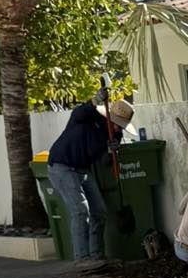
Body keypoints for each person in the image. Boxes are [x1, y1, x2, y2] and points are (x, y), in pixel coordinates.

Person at [47, 97, 133, 264]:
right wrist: (95, 100)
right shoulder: (88, 117)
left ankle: (96, 255)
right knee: (80, 210)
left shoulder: (115, 134)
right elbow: (79, 111)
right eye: (115, 123)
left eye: (120, 125)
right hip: (62, 166)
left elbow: (104, 163)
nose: (117, 127)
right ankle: (82, 258)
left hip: (82, 169)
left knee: (99, 211)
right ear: (108, 117)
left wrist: (111, 151)